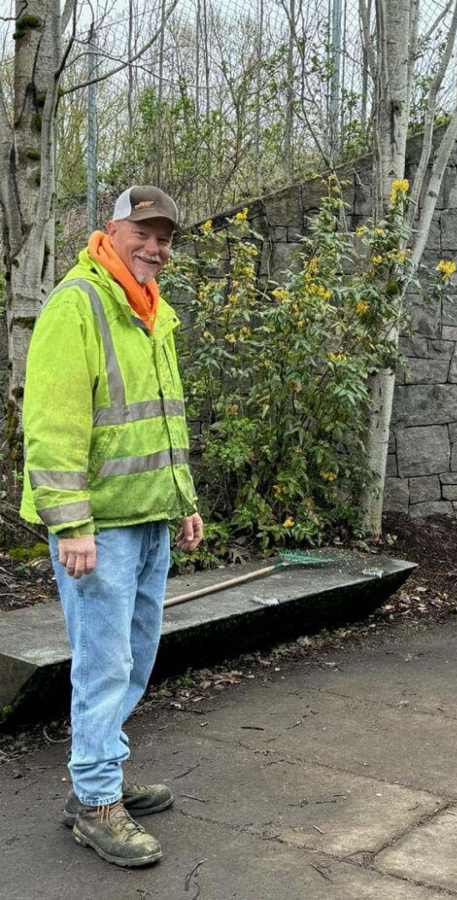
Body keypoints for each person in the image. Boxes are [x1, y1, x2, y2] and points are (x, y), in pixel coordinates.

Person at [20, 186, 203, 868]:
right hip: (99, 527)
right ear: (113, 229)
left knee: (136, 655)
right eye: (144, 233)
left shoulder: (152, 313)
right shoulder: (80, 304)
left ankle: (99, 774)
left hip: (149, 514)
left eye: (165, 238)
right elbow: (53, 424)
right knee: (104, 664)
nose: (155, 247)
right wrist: (69, 523)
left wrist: (182, 499)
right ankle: (96, 802)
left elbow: (163, 421)